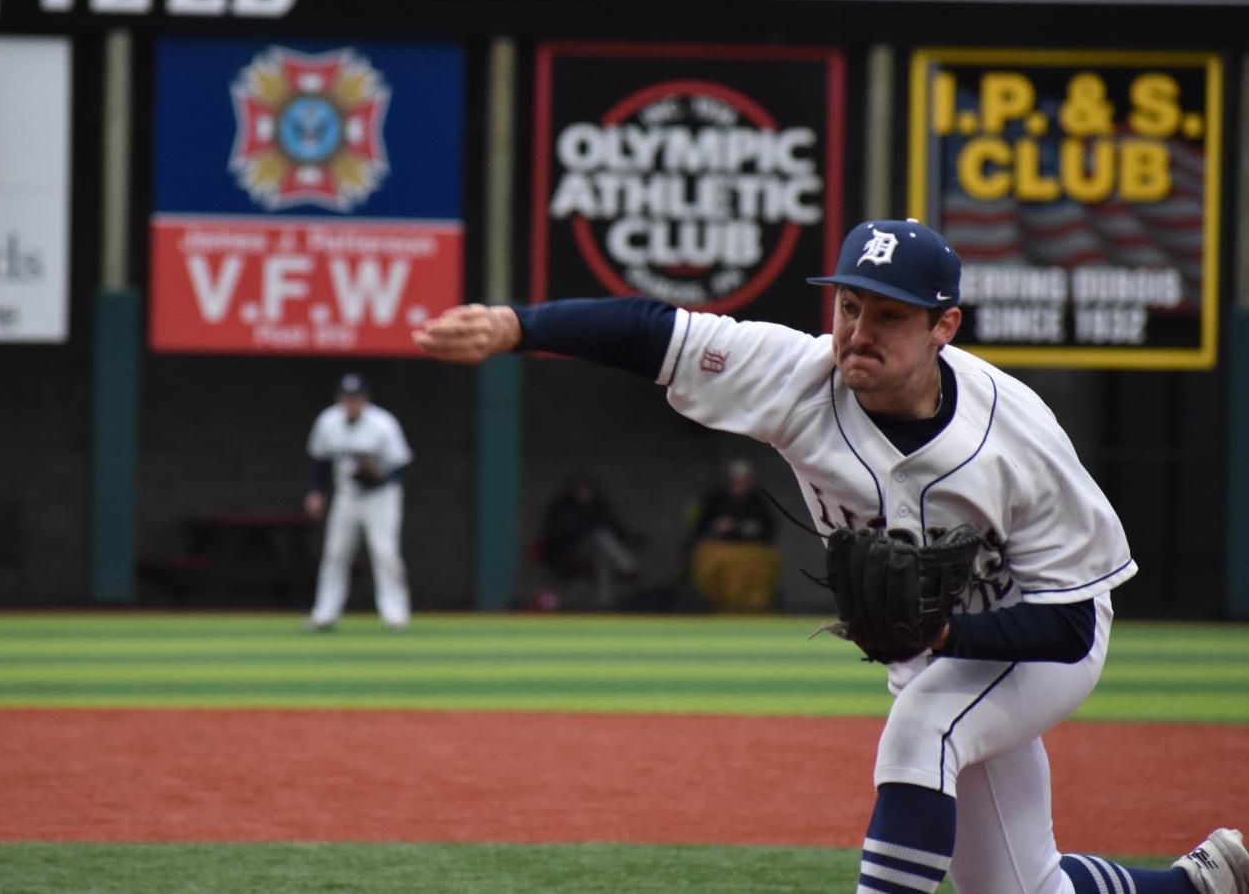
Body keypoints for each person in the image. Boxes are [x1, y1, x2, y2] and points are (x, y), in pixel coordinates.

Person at [413, 218, 1247, 894]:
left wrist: (946, 638)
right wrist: (515, 325)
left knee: (922, 727)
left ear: (943, 327)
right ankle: (1204, 883)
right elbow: (651, 330)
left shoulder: (1016, 436)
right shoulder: (798, 374)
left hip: (1037, 637)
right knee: (1019, 889)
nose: (858, 331)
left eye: (887, 314)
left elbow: (1069, 627)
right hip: (942, 647)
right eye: (848, 305)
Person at [303, 373, 413, 632]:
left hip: (381, 497)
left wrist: (379, 477)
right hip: (347, 495)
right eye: (347, 397)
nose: (351, 402)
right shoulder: (328, 421)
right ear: (339, 399)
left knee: (385, 553)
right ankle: (325, 613)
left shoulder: (383, 424)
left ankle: (395, 613)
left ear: (365, 399)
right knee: (335, 553)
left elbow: (400, 464)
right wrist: (317, 492)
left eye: (356, 398)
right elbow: (321, 461)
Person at [688, 458, 780, 612]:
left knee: (764, 562)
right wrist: (718, 526)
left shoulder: (756, 500)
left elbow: (769, 527)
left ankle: (753, 610)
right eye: (737, 481)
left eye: (744, 481)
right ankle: (713, 607)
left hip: (750, 549)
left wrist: (744, 528)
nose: (740, 485)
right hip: (719, 547)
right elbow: (701, 525)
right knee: (706, 559)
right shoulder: (717, 498)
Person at [538, 471, 640, 609]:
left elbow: (616, 528)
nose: (584, 492)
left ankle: (604, 600)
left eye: (587, 489)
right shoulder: (562, 507)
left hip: (597, 550)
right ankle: (627, 565)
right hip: (570, 550)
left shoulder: (599, 507)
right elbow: (557, 535)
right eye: (580, 489)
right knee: (600, 536)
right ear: (572, 491)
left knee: (602, 552)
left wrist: (634, 539)